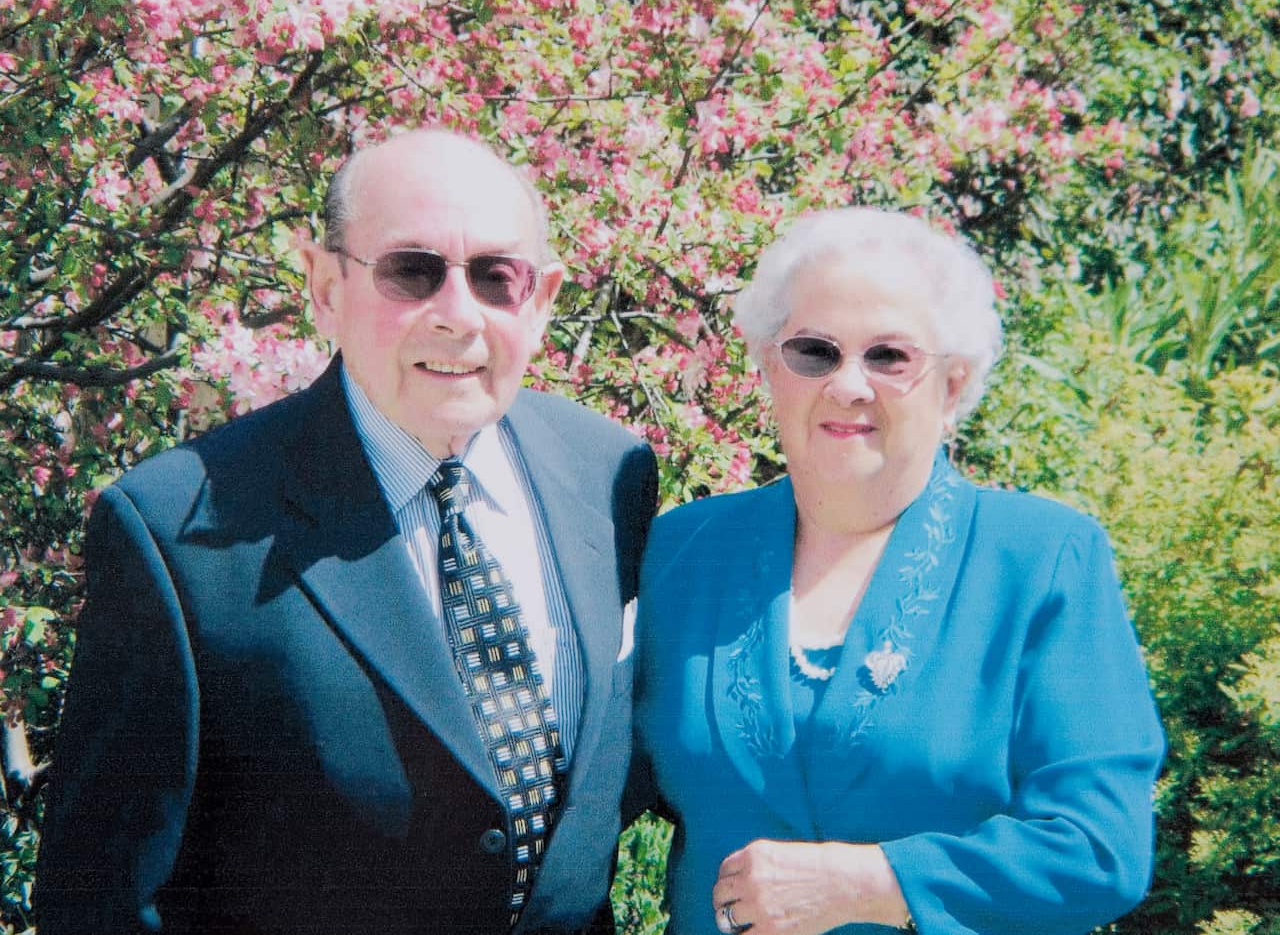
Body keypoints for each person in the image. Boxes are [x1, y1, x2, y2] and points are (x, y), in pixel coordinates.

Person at [36, 128, 657, 935]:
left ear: (541, 301)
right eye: (412, 272)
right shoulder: (178, 534)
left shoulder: (610, 475)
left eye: (497, 278)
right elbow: (105, 901)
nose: (458, 317)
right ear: (326, 287)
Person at [632, 207, 1165, 935]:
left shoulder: (1042, 560)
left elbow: (1101, 848)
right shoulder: (685, 554)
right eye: (814, 352)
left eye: (889, 357)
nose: (849, 385)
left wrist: (877, 884)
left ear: (952, 386)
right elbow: (589, 790)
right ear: (769, 369)